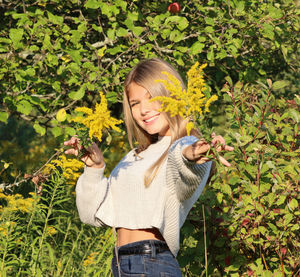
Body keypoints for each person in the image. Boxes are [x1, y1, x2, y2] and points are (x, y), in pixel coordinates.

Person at [64, 58, 234, 276]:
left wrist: (192, 155)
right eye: (135, 103)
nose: (144, 110)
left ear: (171, 95)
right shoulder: (134, 156)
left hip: (150, 262)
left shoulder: (183, 144)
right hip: (123, 263)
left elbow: (182, 162)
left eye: (152, 98)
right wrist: (95, 169)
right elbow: (90, 215)